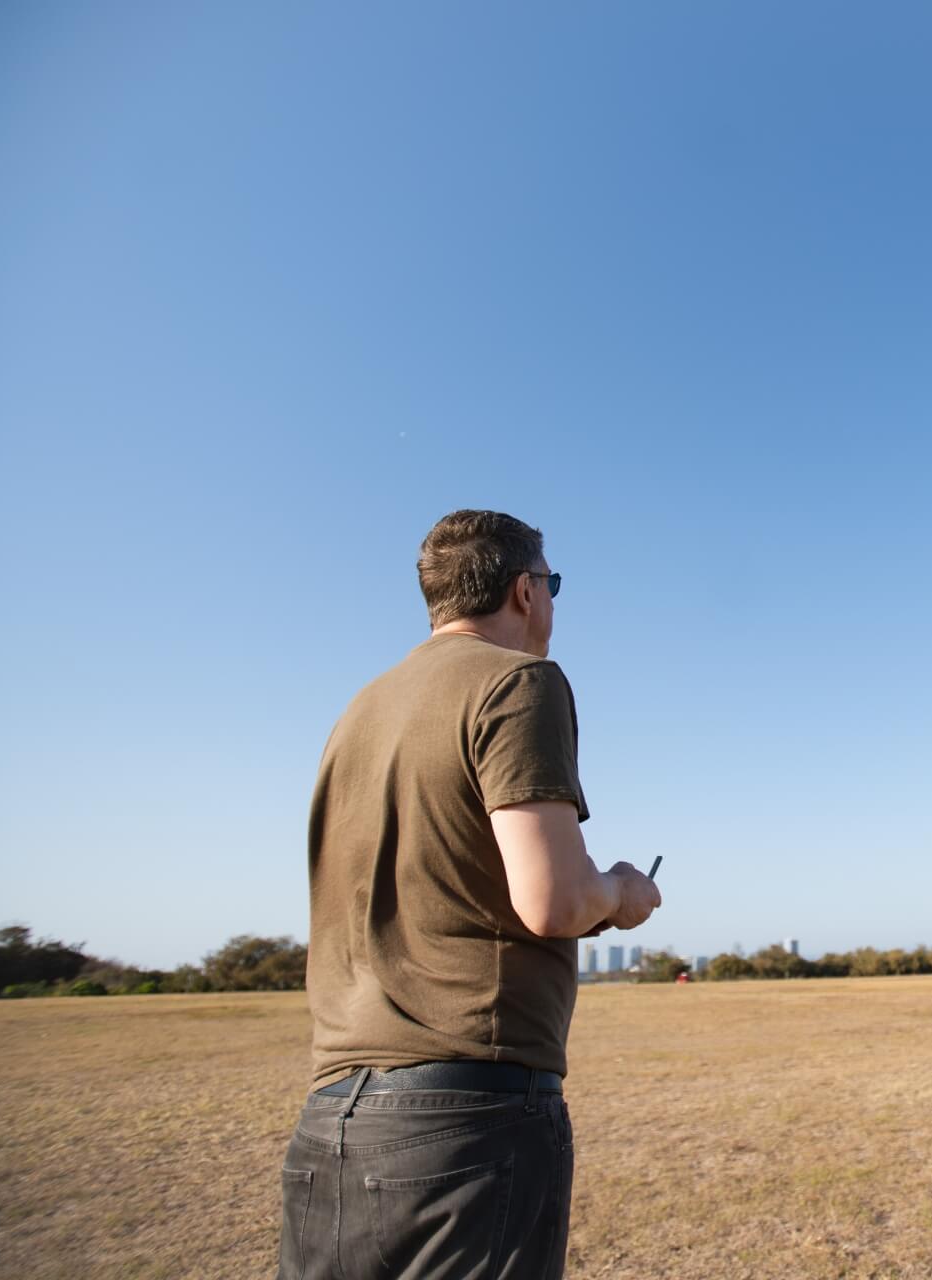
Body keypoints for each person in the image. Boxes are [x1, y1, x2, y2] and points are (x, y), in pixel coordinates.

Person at [278, 509, 661, 1280]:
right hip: (467, 1114)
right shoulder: (520, 681)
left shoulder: (359, 711)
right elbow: (551, 900)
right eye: (552, 586)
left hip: (330, 1119)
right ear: (526, 590)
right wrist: (621, 892)